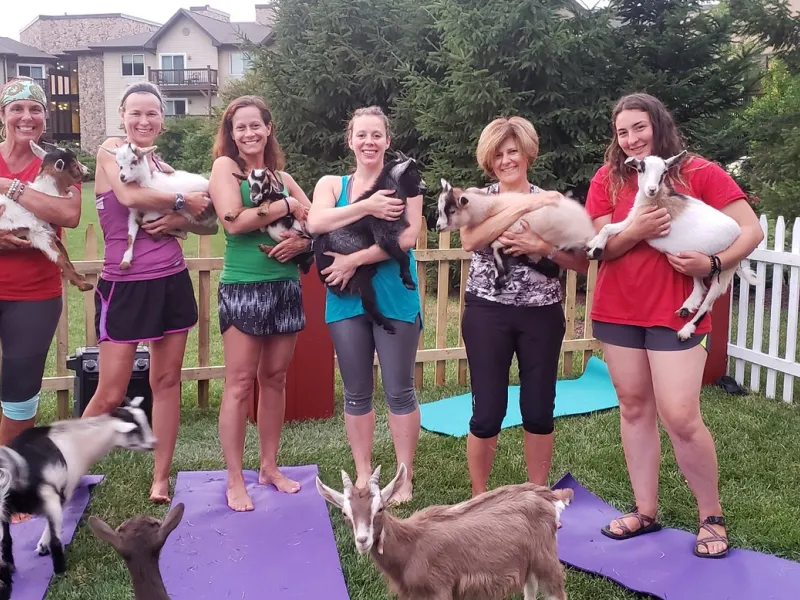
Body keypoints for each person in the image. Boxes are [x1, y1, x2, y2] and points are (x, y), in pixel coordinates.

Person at [584, 92, 763, 558]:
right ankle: (645, 511)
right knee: (633, 409)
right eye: (622, 132)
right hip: (619, 308)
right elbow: (601, 247)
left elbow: (751, 229)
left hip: (673, 312)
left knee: (681, 416)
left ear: (658, 125)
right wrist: (636, 230)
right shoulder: (608, 178)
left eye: (639, 128)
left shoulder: (700, 171)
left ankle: (711, 515)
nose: (631, 139)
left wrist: (714, 260)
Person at [81, 81, 215, 504]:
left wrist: (181, 222)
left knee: (166, 381)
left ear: (162, 120)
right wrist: (181, 201)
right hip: (124, 288)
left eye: (152, 113)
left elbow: (209, 223)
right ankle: (64, 468)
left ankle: (161, 477)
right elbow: (127, 193)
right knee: (110, 392)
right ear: (122, 115)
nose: (143, 120)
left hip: (171, 281)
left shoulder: (163, 167)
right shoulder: (109, 152)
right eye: (135, 112)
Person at [456, 116, 587, 497]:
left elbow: (580, 262)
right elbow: (470, 240)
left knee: (538, 408)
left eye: (512, 151)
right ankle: (479, 497)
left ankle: (538, 496)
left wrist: (542, 248)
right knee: (488, 410)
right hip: (487, 313)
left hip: (541, 314)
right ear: (488, 159)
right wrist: (517, 209)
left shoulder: (554, 202)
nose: (506, 160)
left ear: (527, 152)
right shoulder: (476, 199)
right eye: (498, 154)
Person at [307, 106, 422, 503]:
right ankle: (362, 474)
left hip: (394, 295)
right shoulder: (329, 184)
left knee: (399, 390)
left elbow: (407, 239)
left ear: (387, 141)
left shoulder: (405, 181)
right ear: (350, 140)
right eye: (361, 135)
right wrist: (366, 208)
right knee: (356, 392)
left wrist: (354, 259)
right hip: (345, 300)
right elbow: (315, 223)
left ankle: (404, 478)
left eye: (377, 135)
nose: (369, 142)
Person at [208, 95, 312, 512]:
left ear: (269, 129)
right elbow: (234, 221)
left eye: (256, 125)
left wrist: (304, 240)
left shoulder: (282, 175)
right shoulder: (225, 169)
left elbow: (316, 219)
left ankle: (269, 466)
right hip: (244, 286)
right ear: (231, 135)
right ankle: (235, 478)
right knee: (238, 385)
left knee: (274, 379)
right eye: (240, 127)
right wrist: (286, 206)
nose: (249, 133)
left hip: (285, 286)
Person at [0, 78, 82, 521]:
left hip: (33, 295)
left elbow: (68, 214)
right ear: (3, 115)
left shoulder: (59, 161)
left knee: (18, 396)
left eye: (35, 109)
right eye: (17, 110)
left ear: (45, 116)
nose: (26, 118)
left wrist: (10, 187)